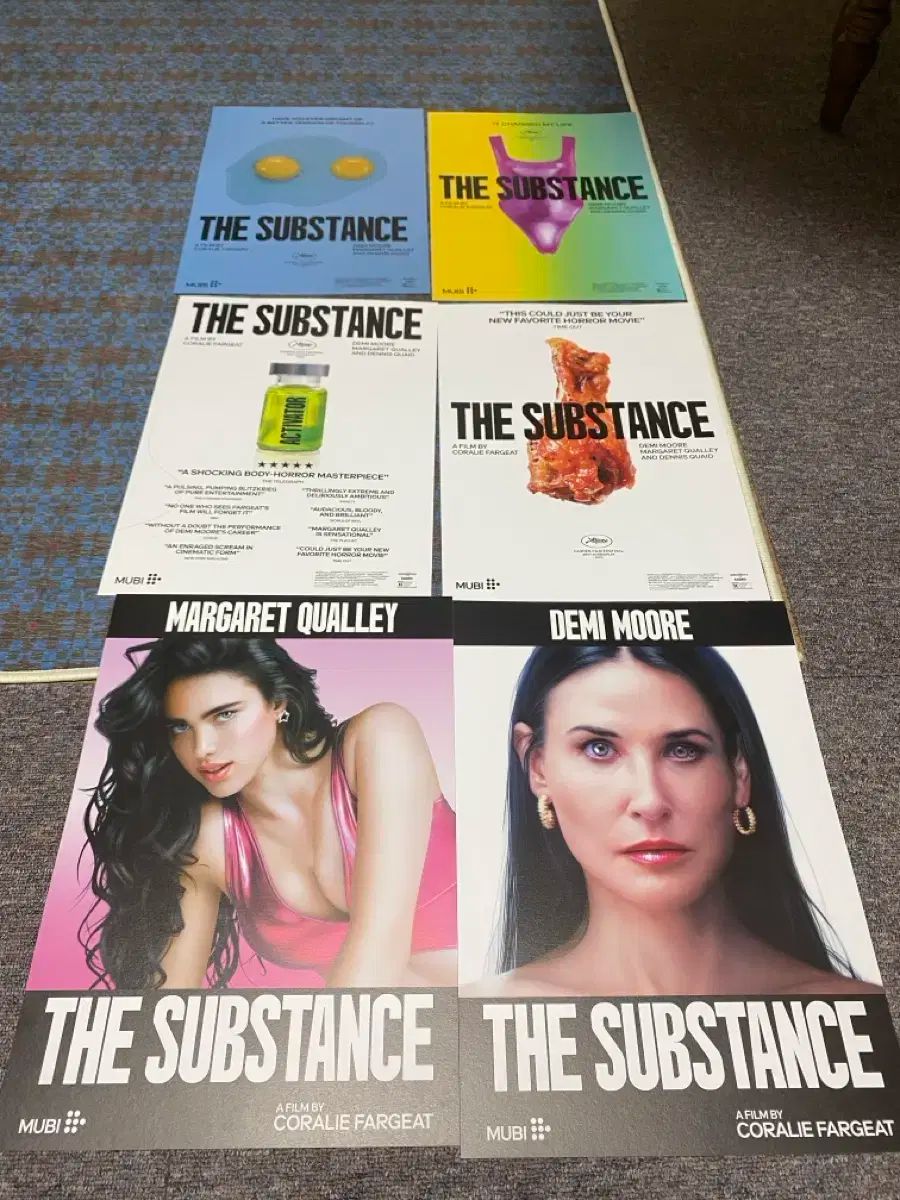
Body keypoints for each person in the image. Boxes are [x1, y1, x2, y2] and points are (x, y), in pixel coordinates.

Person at [471, 644, 880, 998]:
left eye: (683, 750)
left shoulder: (857, 1012)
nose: (650, 802)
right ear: (538, 768)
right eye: (599, 749)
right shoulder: (483, 1016)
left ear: (739, 773)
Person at [82, 635, 456, 990]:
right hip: (365, 1026)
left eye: (224, 715)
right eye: (181, 727)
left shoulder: (380, 738)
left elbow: (381, 946)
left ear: (278, 702)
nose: (202, 748)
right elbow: (169, 1004)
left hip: (472, 1014)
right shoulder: (211, 840)